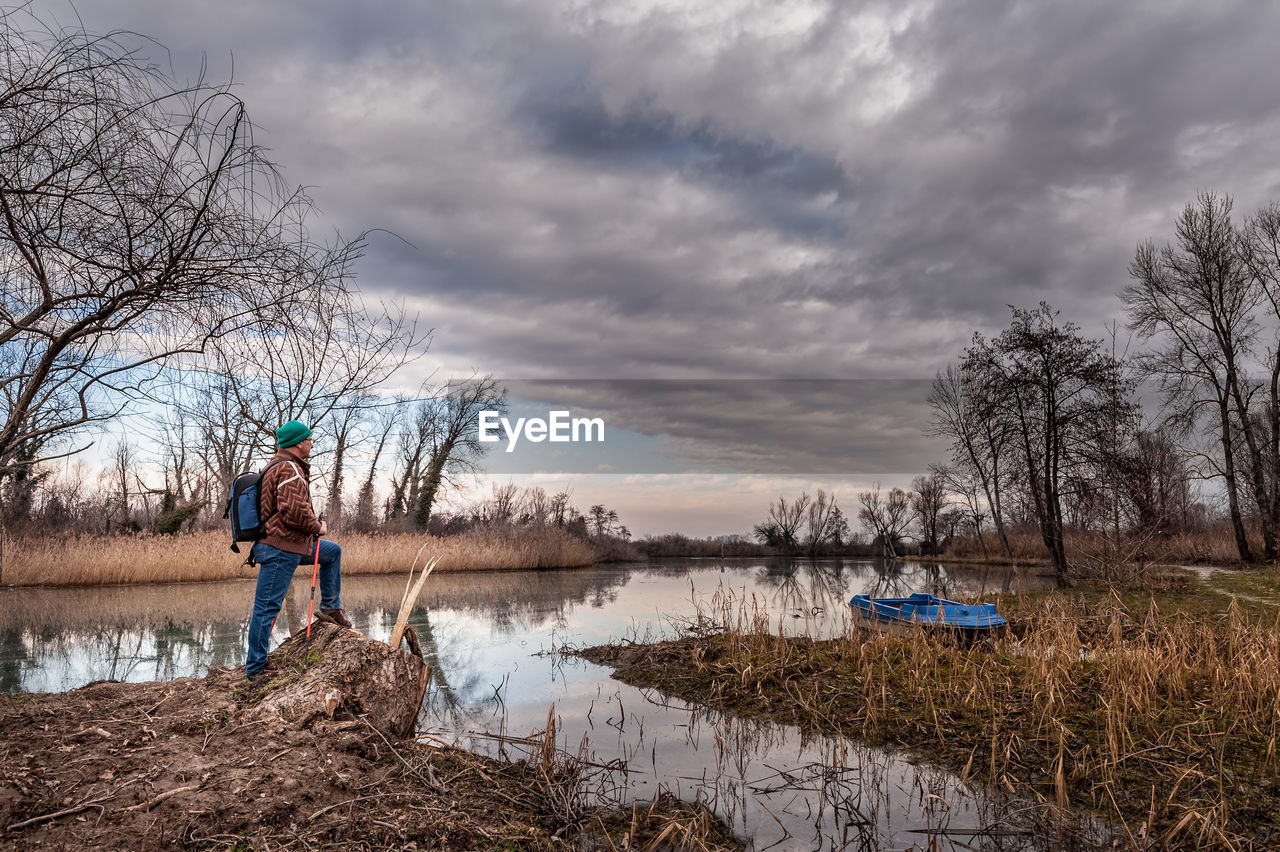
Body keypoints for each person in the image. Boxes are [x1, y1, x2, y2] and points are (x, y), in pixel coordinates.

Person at [245, 419, 352, 679]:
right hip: (280, 547)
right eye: (309, 439)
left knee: (331, 552)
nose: (312, 443)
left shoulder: (281, 466)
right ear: (298, 443)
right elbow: (293, 511)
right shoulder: (288, 468)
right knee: (266, 608)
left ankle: (329, 607)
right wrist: (318, 527)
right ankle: (256, 667)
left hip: (289, 545)